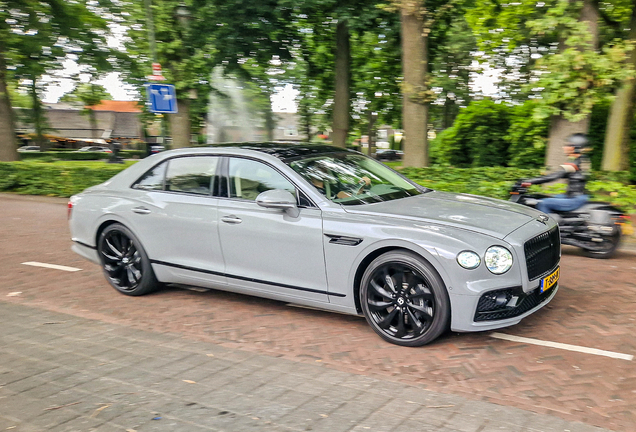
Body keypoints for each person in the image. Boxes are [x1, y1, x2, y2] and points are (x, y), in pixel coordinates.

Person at [520, 133, 591, 215]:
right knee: (540, 197)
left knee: (544, 203)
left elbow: (554, 176)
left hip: (574, 199)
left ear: (576, 148)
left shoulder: (574, 163)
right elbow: (563, 174)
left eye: (568, 145)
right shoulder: (582, 161)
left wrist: (529, 182)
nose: (564, 147)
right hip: (573, 196)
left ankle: (548, 226)